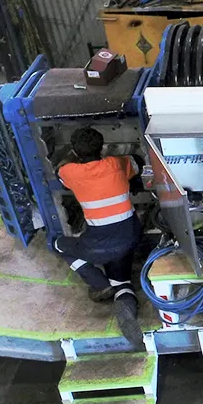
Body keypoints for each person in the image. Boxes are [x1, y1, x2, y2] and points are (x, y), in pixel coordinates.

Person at [54, 127, 144, 346]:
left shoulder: (71, 172)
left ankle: (98, 282)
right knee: (122, 283)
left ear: (75, 151)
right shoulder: (116, 164)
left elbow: (59, 170)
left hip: (100, 244)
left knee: (57, 244)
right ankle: (123, 301)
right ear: (102, 147)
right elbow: (138, 161)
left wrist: (72, 157)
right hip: (130, 235)